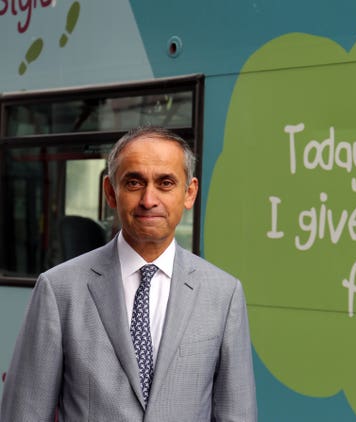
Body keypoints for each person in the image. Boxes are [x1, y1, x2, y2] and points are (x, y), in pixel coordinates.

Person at [0, 127, 257, 421]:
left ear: (189, 193)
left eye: (165, 183)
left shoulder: (224, 295)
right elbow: (24, 413)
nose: (149, 199)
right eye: (134, 182)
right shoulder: (59, 290)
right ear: (111, 192)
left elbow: (237, 414)